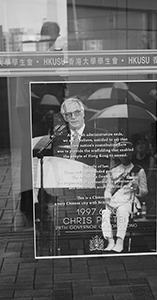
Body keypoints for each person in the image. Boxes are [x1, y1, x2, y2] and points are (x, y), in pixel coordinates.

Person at [16, 21, 65, 223]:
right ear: (44, 33)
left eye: (57, 35)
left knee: (43, 152)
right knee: (32, 154)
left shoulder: (48, 51)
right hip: (29, 106)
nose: (55, 39)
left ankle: (41, 194)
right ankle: (28, 202)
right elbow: (38, 79)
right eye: (53, 34)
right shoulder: (32, 50)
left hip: (42, 105)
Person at [101, 142, 148, 253]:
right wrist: (107, 200)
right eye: (122, 154)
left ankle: (120, 241)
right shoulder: (113, 171)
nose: (125, 156)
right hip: (115, 200)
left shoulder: (139, 170)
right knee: (105, 213)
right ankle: (110, 240)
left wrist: (137, 189)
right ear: (118, 155)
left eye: (127, 153)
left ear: (131, 154)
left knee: (122, 210)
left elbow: (145, 191)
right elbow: (108, 189)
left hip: (130, 201)